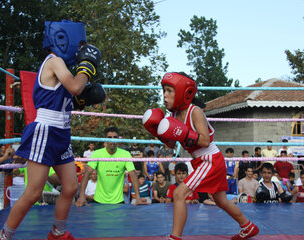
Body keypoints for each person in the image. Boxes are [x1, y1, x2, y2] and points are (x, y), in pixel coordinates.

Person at [0, 20, 105, 240]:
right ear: (63, 39)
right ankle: (4, 236)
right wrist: (87, 67)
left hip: (61, 133)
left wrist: (81, 100)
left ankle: (58, 232)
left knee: (71, 187)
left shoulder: (64, 66)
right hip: (45, 131)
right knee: (34, 191)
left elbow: (68, 97)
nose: (81, 49)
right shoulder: (54, 61)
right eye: (80, 43)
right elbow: (75, 86)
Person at [142, 72, 259, 240]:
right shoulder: (173, 116)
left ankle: (174, 237)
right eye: (164, 91)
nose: (165, 96)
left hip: (210, 160)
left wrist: (185, 133)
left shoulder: (195, 111)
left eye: (169, 91)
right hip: (200, 161)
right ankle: (248, 226)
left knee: (179, 194)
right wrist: (158, 132)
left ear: (183, 91)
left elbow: (204, 141)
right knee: (220, 200)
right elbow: (171, 145)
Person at [75, 127, 147, 206]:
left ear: (118, 139)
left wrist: (138, 197)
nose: (112, 140)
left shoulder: (125, 154)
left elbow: (133, 175)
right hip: (99, 201)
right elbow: (87, 173)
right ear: (105, 139)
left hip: (118, 201)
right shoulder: (97, 153)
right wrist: (81, 196)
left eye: (115, 137)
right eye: (109, 137)